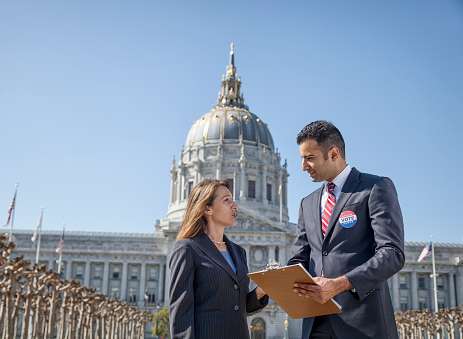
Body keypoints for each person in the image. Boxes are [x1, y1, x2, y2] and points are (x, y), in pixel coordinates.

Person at [288, 121, 404, 339]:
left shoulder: (375, 188)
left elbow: (392, 253)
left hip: (363, 322)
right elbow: (300, 259)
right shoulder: (307, 203)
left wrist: (340, 284)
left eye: (309, 158)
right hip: (316, 324)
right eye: (302, 158)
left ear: (333, 154)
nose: (303, 166)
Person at [169, 179, 269, 339]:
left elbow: (239, 307)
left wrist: (261, 290)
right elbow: (181, 312)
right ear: (207, 209)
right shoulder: (187, 248)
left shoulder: (239, 252)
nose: (235, 205)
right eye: (226, 200)